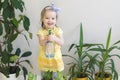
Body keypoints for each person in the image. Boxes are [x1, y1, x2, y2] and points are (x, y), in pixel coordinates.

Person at [37, 3, 64, 79]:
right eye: (47, 18)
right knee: (45, 77)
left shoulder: (58, 30)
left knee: (56, 78)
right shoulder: (41, 32)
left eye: (53, 18)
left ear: (56, 20)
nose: (50, 20)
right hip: (45, 61)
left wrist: (55, 38)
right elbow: (41, 43)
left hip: (56, 60)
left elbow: (62, 42)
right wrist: (46, 39)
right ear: (42, 19)